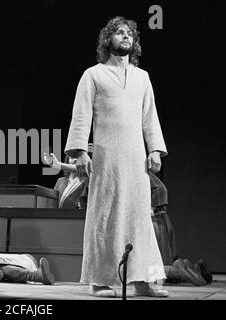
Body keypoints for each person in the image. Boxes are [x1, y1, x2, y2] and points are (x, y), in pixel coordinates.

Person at [64, 17, 168, 298]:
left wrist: (155, 149)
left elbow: (150, 117)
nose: (125, 37)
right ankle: (99, 281)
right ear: (107, 40)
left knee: (139, 216)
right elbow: (82, 114)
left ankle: (142, 280)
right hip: (107, 157)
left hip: (136, 157)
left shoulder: (142, 77)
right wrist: (80, 152)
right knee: (105, 215)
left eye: (129, 34)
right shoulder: (93, 74)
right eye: (119, 33)